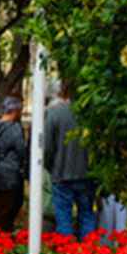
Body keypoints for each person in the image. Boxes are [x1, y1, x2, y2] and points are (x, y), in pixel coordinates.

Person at [44, 79, 96, 239]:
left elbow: (47, 147)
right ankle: (90, 249)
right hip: (87, 173)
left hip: (61, 173)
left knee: (63, 218)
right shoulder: (91, 115)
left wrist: (51, 167)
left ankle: (66, 250)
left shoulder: (54, 113)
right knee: (87, 214)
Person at [0, 96, 28, 233]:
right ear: (15, 111)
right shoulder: (14, 128)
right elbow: (21, 151)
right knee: (6, 211)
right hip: (9, 176)